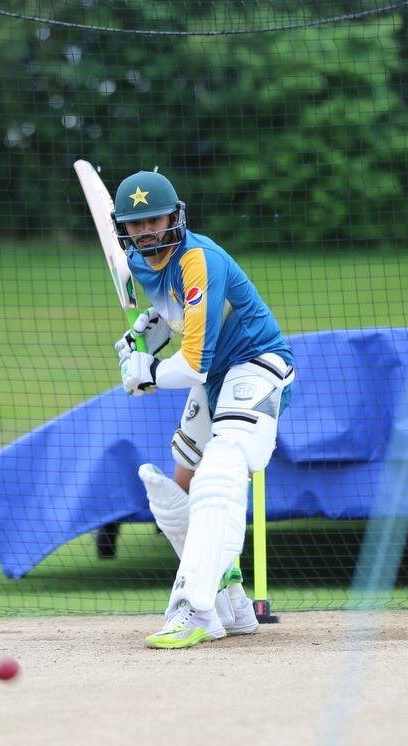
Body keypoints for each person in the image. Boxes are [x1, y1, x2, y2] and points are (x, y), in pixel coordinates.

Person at [111, 168, 296, 649]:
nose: (147, 230)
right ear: (124, 229)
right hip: (216, 376)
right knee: (178, 485)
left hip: (256, 362)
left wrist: (146, 373)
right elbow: (174, 316)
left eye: (157, 219)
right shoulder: (139, 264)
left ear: (176, 216)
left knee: (221, 469)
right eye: (137, 223)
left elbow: (192, 364)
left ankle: (195, 610)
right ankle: (230, 602)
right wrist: (145, 336)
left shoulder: (199, 259)